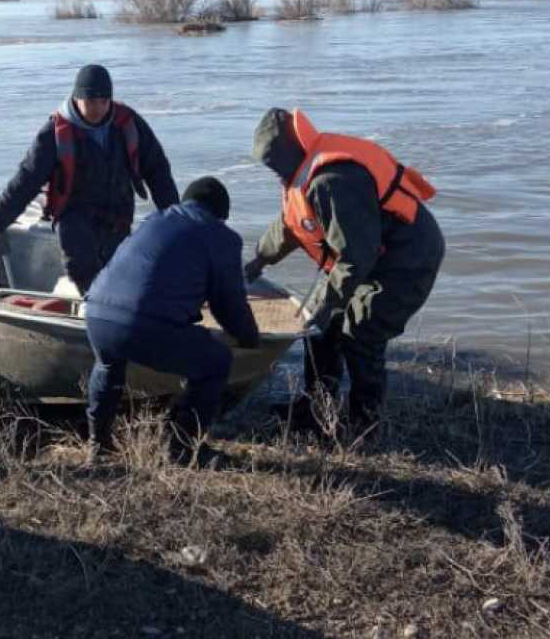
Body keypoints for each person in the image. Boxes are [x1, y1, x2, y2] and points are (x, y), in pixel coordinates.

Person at [245, 108, 445, 432]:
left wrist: (327, 304)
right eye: (270, 167)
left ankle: (363, 424)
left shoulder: (333, 181)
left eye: (276, 164)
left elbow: (355, 259)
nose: (277, 174)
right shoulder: (304, 172)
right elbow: (291, 224)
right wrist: (258, 260)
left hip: (406, 257)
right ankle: (316, 409)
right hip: (370, 253)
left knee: (360, 331)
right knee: (318, 328)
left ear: (293, 151)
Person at [84, 177, 259, 463]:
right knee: (216, 362)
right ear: (221, 215)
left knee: (107, 365)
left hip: (97, 314)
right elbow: (228, 304)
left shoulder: (153, 220)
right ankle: (182, 449)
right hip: (145, 325)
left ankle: (98, 445)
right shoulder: (222, 237)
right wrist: (249, 337)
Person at [0, 64, 178, 295]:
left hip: (117, 217)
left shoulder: (128, 124)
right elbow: (27, 179)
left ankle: (114, 315)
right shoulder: (55, 133)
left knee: (120, 274)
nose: (98, 108)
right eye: (90, 101)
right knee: (85, 272)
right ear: (77, 97)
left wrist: (174, 217)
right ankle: (93, 314)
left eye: (104, 101)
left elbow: (157, 170)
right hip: (75, 219)